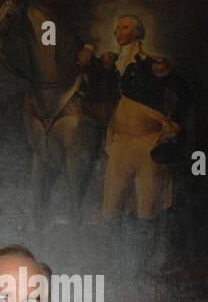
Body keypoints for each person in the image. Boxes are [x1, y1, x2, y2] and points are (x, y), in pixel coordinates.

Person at [76, 14, 193, 221]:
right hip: (120, 142)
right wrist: (88, 47)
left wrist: (174, 123)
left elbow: (185, 93)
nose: (118, 32)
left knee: (146, 211)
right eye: (118, 27)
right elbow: (89, 78)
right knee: (110, 210)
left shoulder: (153, 64)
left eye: (125, 28)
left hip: (147, 142)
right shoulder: (109, 64)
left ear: (138, 33)